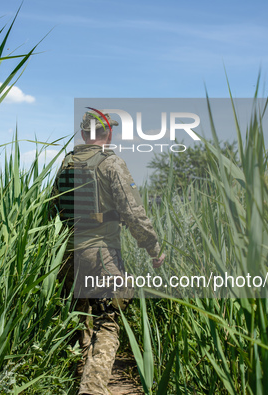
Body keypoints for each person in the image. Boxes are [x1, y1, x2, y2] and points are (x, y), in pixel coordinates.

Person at [52, 110, 166, 395]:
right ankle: (92, 389)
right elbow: (133, 213)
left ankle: (79, 375)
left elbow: (51, 208)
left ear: (83, 133)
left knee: (80, 316)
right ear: (108, 133)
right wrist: (153, 248)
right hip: (101, 254)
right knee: (109, 320)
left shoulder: (65, 164)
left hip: (67, 253)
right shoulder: (110, 163)